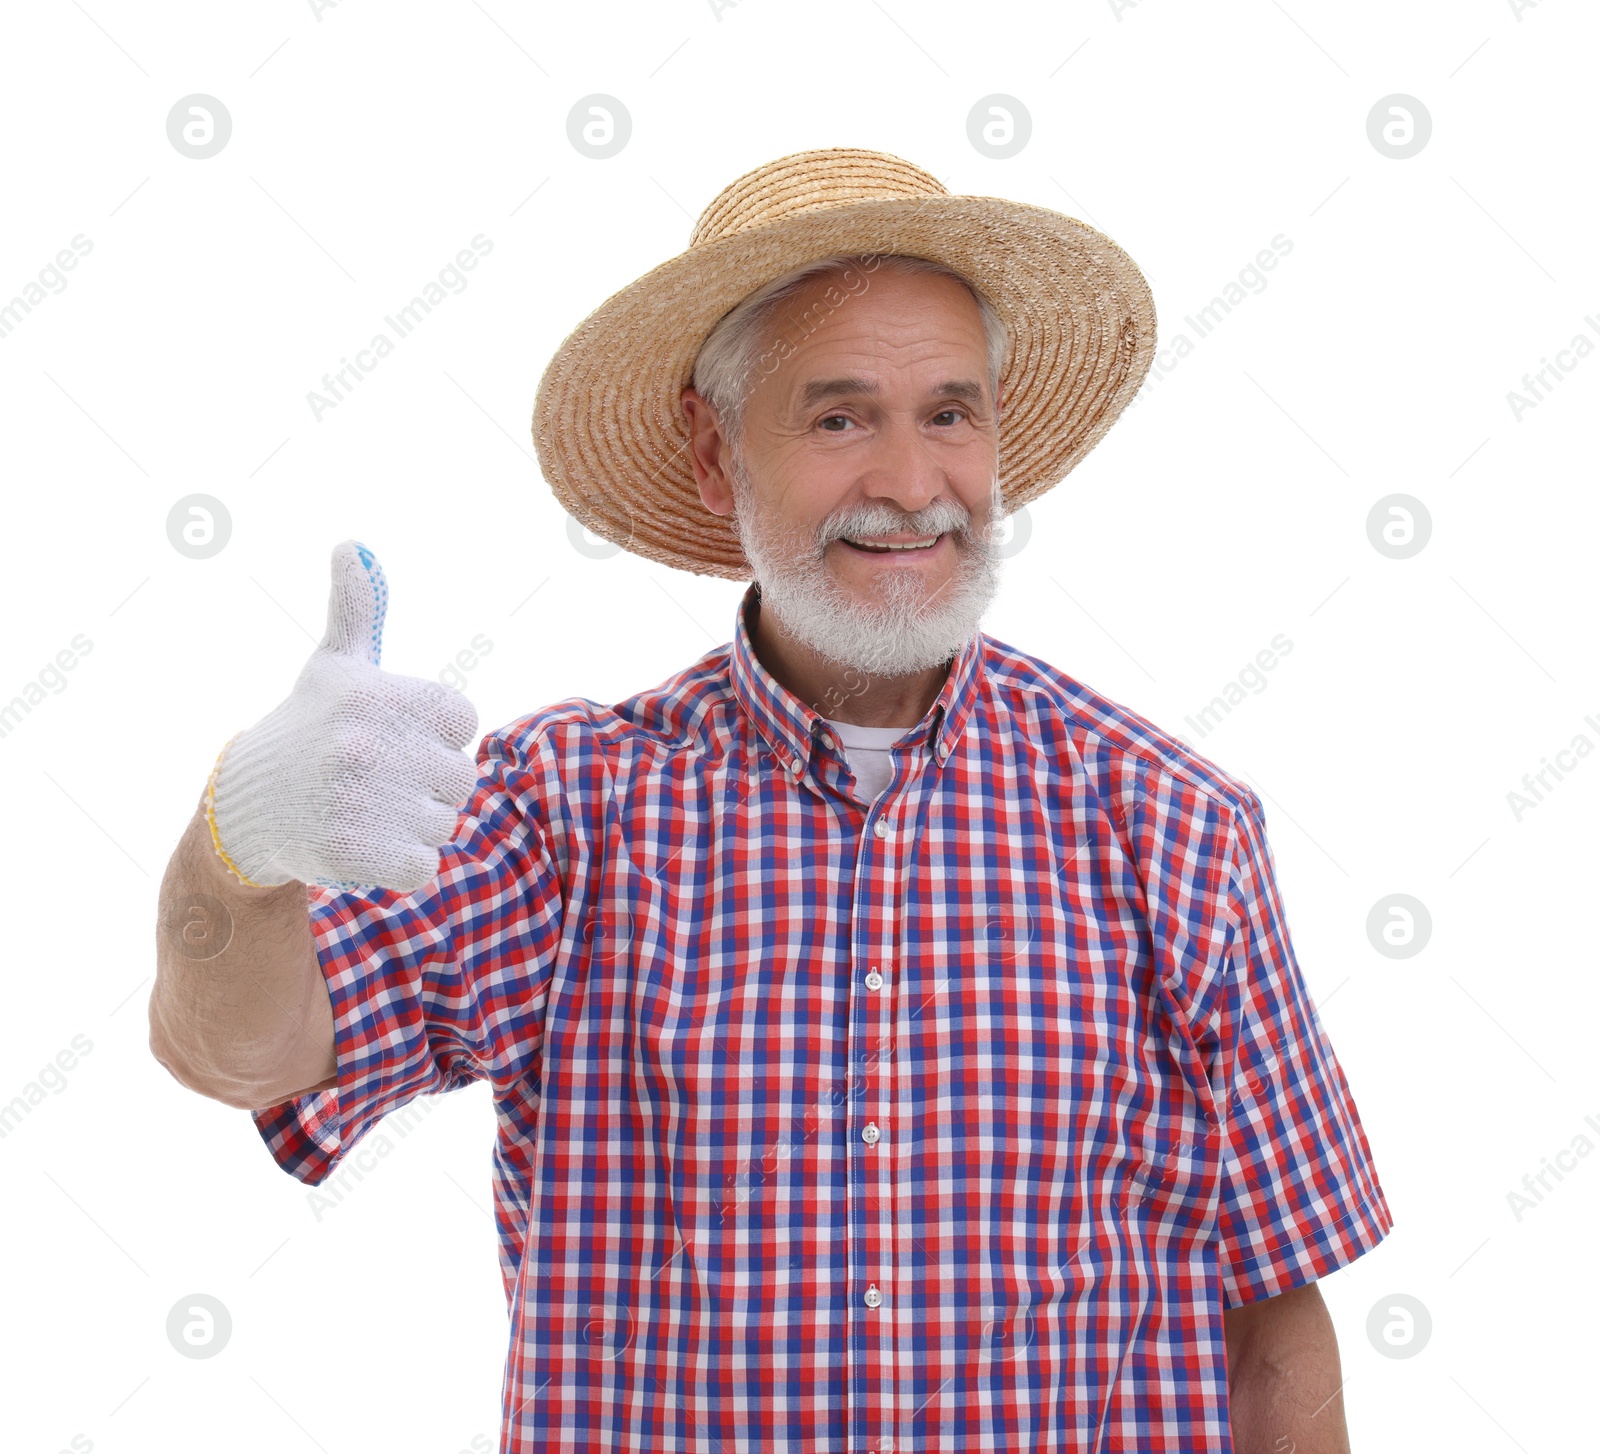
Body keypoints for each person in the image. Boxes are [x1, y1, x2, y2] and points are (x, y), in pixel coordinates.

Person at [150, 147, 1391, 1452]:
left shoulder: (1175, 829)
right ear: (711, 448)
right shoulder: (564, 816)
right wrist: (237, 850)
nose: (913, 484)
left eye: (951, 414)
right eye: (841, 416)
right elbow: (246, 1052)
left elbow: (1273, 1319)